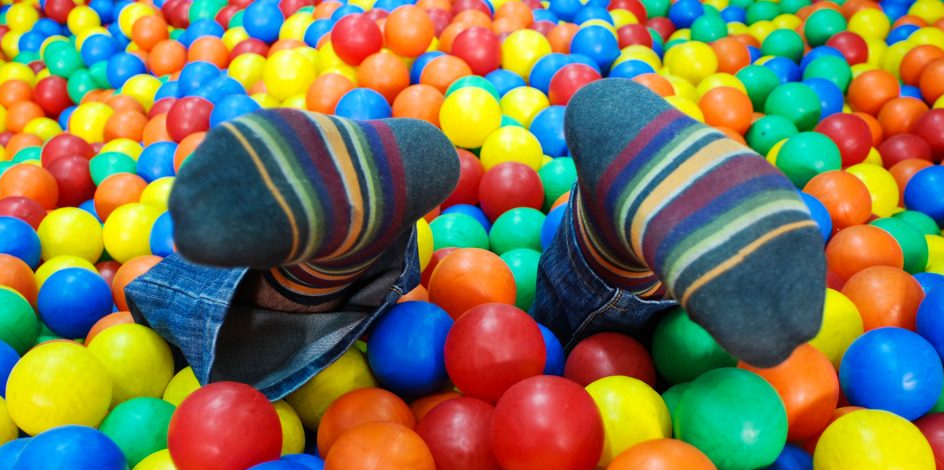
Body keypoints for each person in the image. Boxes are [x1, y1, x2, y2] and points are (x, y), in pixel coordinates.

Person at [125, 79, 827, 401]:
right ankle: (614, 238)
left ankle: (332, 261)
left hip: (357, 404)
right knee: (584, 353)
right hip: (612, 403)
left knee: (184, 318)